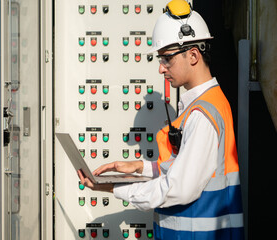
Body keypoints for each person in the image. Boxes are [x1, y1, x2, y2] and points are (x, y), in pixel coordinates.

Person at [78, 0, 244, 239]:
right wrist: (140, 167)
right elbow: (188, 170)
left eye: (167, 58)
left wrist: (114, 187)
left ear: (193, 55)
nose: (161, 68)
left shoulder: (202, 115)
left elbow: (178, 188)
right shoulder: (205, 106)